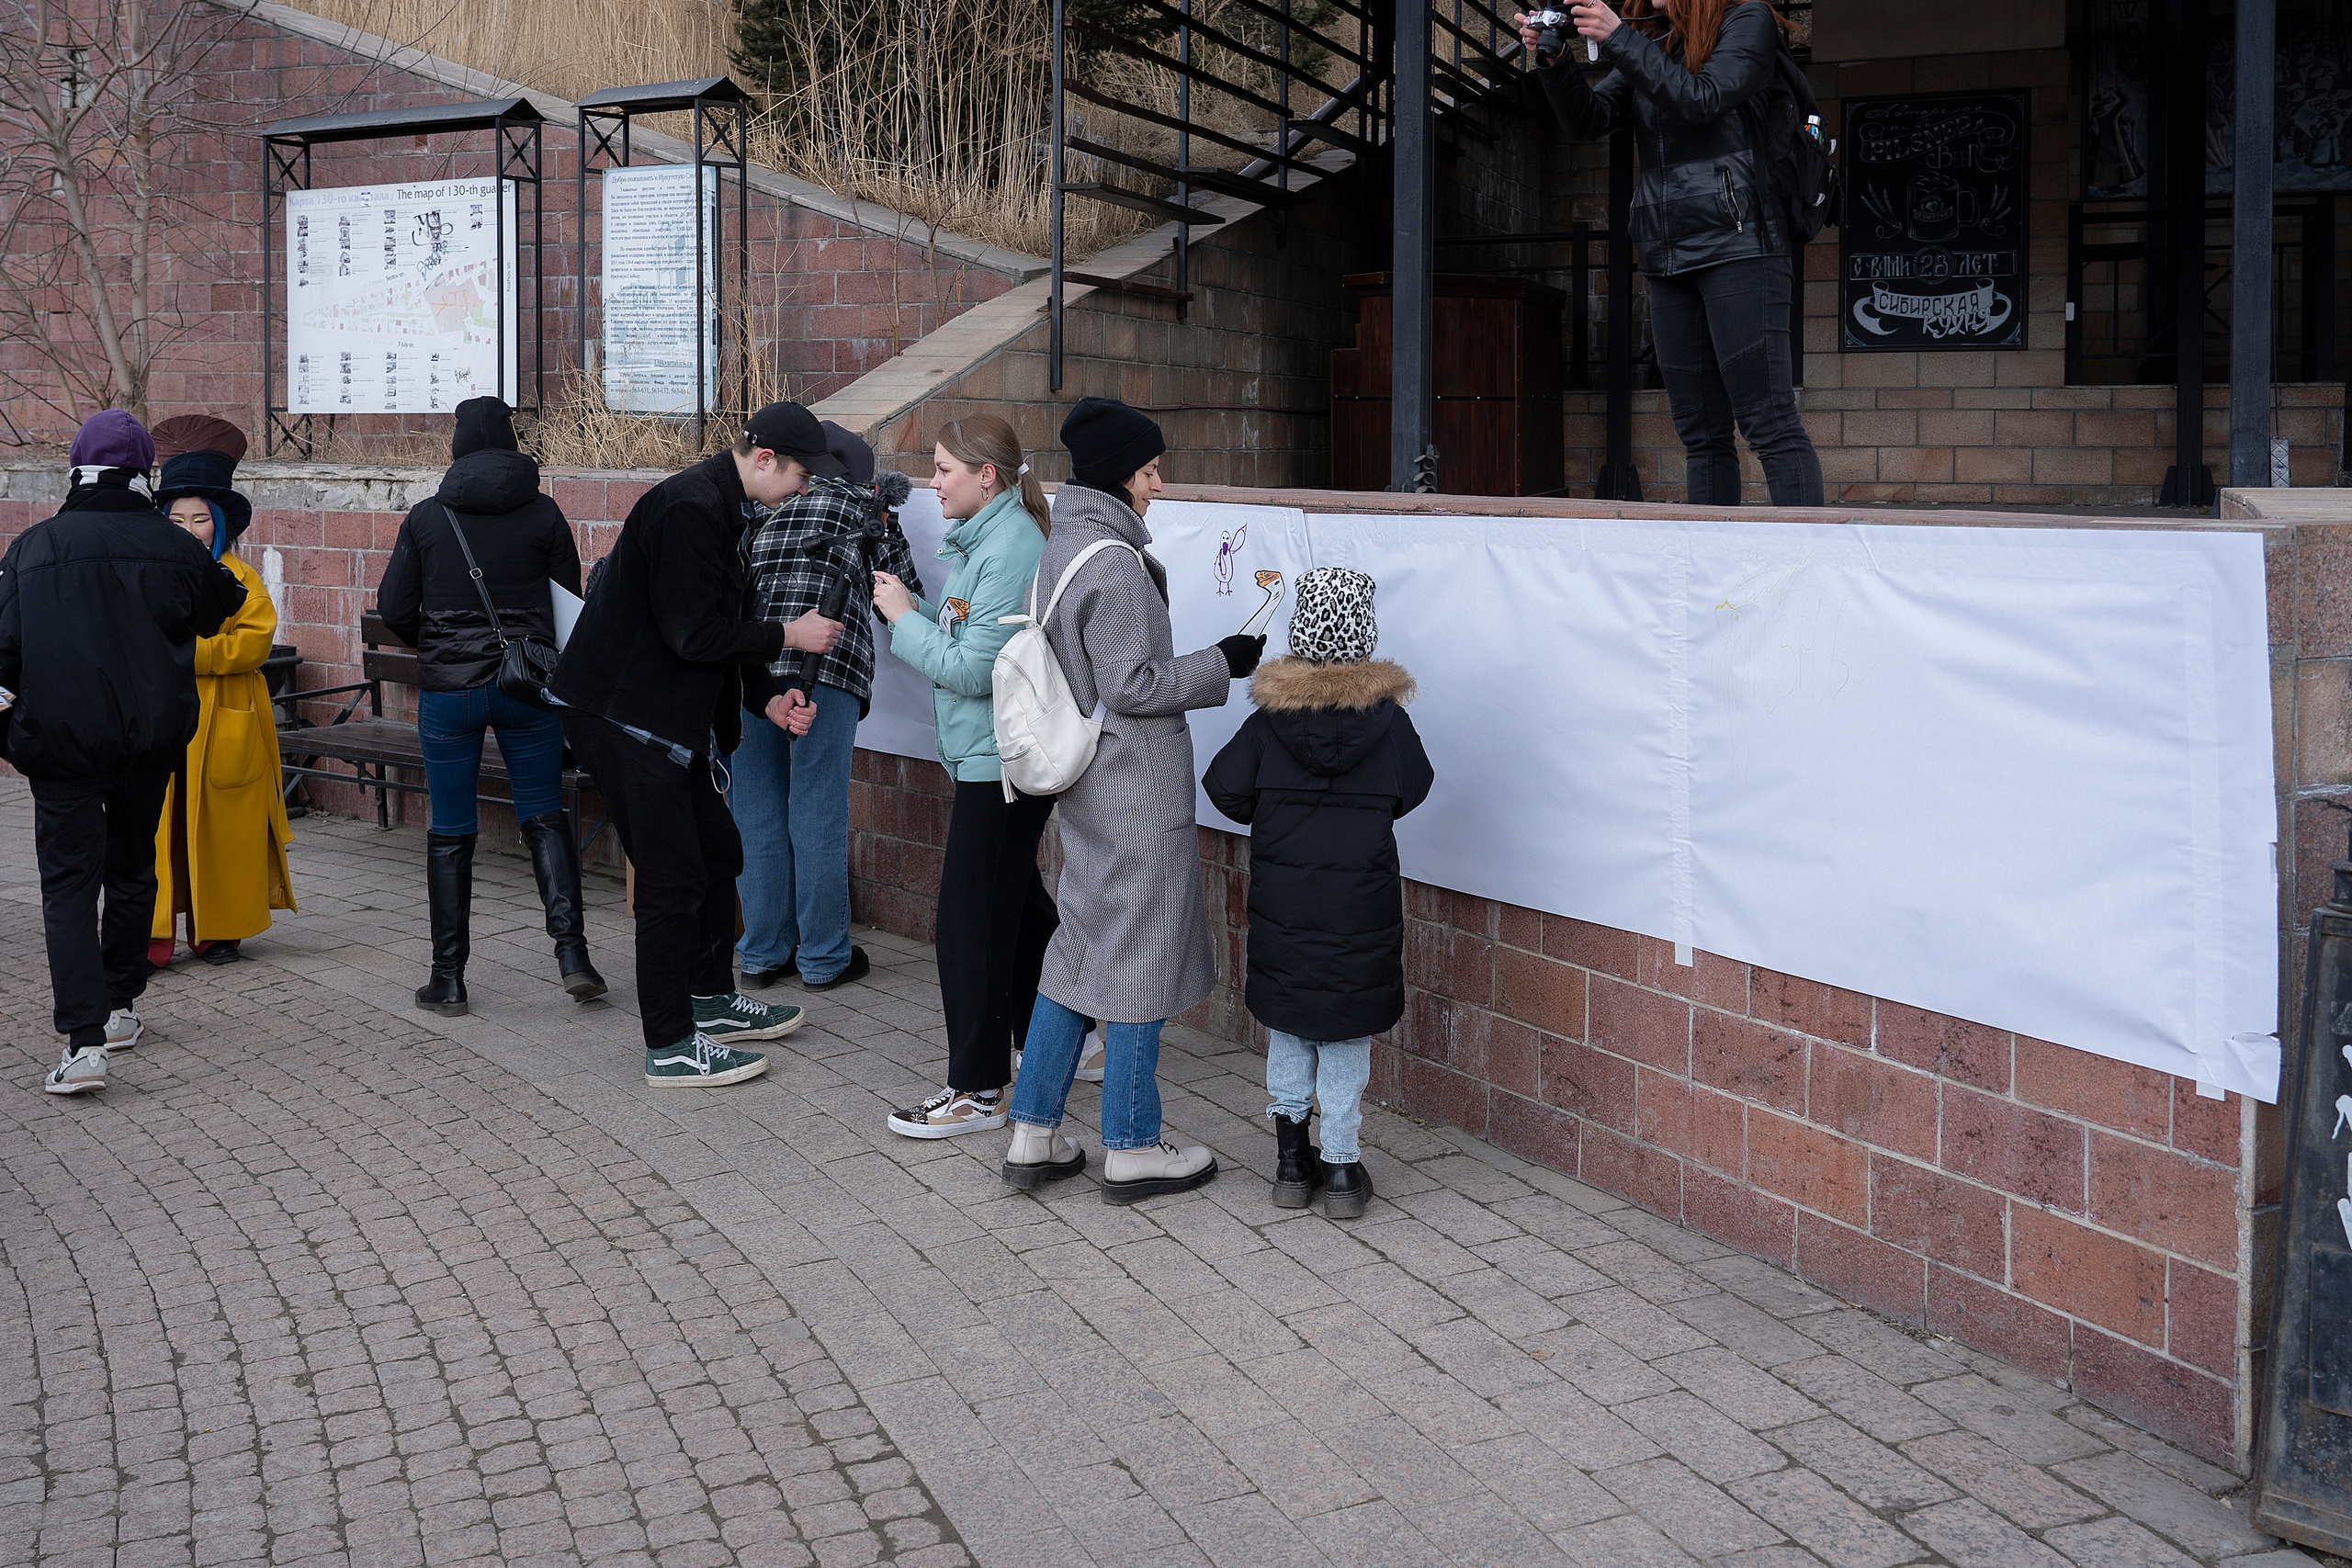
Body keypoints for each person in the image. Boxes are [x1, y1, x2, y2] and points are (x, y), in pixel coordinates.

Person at [999, 397, 1265, 1202]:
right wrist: (1223, 660)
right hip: (1134, 790)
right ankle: (1132, 1144)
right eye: (1150, 470)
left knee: (1078, 952)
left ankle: (1033, 1130)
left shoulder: (1067, 544)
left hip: (1088, 786)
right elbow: (1131, 683)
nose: (1159, 483)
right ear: (1120, 473)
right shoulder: (1114, 563)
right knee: (1142, 956)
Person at [548, 401, 844, 1088]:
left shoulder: (728, 508)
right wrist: (787, 636)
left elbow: (716, 630)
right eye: (801, 474)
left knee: (720, 852)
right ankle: (672, 1043)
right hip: (621, 716)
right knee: (669, 877)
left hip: (663, 721)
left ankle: (711, 1001)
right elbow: (692, 634)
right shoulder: (689, 508)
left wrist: (766, 694)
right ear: (764, 459)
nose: (804, 489)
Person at [0, 411, 245, 1095]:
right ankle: (119, 1007)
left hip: (60, 745)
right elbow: (220, 605)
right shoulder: (173, 546)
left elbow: (3, 655)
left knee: (69, 887)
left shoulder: (32, 547)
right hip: (148, 739)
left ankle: (83, 1045)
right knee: (136, 869)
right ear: (145, 474)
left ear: (76, 469)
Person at [1520, 0, 1825, 506]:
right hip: (1667, 251)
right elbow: (1589, 119)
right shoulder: (1659, 43)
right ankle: (1715, 576)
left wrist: (1619, 38)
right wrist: (1555, 63)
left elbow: (1702, 99)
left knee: (1768, 419)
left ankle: (1805, 573)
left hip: (1741, 245)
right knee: (1701, 433)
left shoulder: (1748, 22)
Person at [1203, 569, 1433, 1219]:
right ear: (1364, 634)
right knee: (1344, 1033)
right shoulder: (1388, 723)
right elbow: (1413, 789)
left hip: (1287, 909)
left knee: (1292, 1029)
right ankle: (1339, 1168)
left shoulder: (1269, 721)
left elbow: (1223, 787)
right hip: (1360, 911)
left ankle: (1288, 1164)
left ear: (1302, 632)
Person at [377, 396, 603, 1015]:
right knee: (544, 815)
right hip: (525, 691)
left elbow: (395, 608)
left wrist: (444, 647)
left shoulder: (428, 518)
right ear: (511, 444)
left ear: (457, 446)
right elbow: (567, 608)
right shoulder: (545, 514)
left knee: (451, 828)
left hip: (451, 698)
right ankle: (574, 957)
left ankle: (447, 980)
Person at [871, 415, 1057, 1138]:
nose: (932, 480)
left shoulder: (1011, 545)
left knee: (968, 923)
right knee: (1016, 906)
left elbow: (975, 668)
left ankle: (978, 1091)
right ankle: (1070, 1034)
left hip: (999, 762)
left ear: (987, 476)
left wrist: (901, 619)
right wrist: (918, 612)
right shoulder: (988, 537)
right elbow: (967, 636)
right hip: (988, 758)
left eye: (944, 467)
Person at [729, 421, 922, 993]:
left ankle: (763, 953)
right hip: (828, 669)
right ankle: (822, 956)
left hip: (752, 666)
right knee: (817, 812)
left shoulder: (760, 504)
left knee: (755, 811)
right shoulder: (866, 511)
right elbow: (900, 592)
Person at [145, 416, 296, 970]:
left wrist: (183, 654)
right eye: (176, 518)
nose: (188, 528)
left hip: (228, 716)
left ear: (221, 523)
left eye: (200, 519)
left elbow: (251, 645)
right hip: (163, 719)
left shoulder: (242, 578)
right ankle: (152, 932)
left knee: (222, 829)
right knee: (157, 825)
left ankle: (219, 931)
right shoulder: (148, 574)